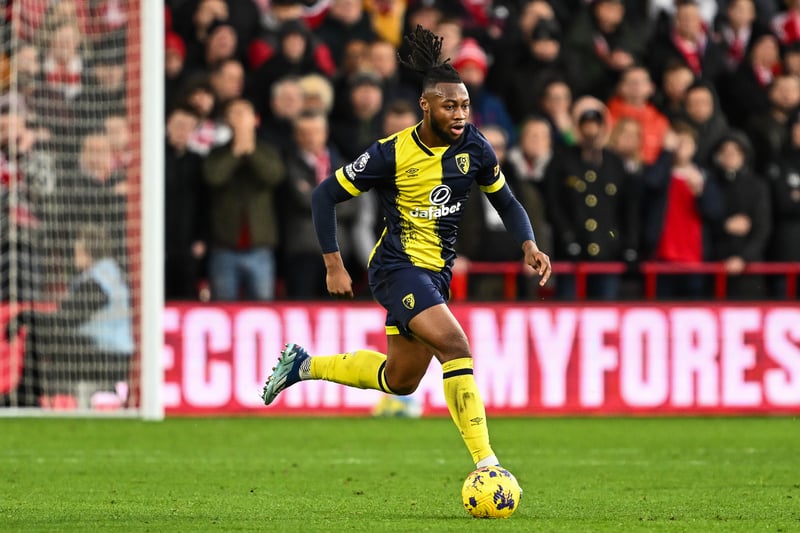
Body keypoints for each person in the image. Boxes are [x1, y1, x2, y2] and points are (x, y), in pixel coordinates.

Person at [261, 26, 551, 472]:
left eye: (465, 105)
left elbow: (506, 201)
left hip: (436, 273)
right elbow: (324, 195)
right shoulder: (389, 154)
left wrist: (528, 242)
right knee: (456, 346)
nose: (459, 114)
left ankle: (303, 365)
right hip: (397, 267)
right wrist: (334, 264)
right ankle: (487, 464)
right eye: (449, 105)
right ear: (426, 104)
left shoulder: (475, 147)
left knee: (400, 380)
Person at [5, 224, 134, 406]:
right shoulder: (110, 274)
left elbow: (67, 320)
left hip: (103, 356)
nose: (74, 253)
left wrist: (27, 317)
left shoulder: (97, 281)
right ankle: (26, 393)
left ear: (87, 250)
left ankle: (27, 396)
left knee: (37, 332)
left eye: (77, 248)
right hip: (112, 355)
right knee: (41, 330)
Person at [203, 98, 285, 301]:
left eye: (244, 113)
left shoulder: (268, 151)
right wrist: (235, 153)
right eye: (234, 113)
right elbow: (213, 177)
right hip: (224, 247)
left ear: (255, 119)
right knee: (223, 308)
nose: (239, 118)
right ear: (227, 121)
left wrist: (251, 152)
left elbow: (274, 176)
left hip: (260, 248)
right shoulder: (217, 153)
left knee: (262, 310)